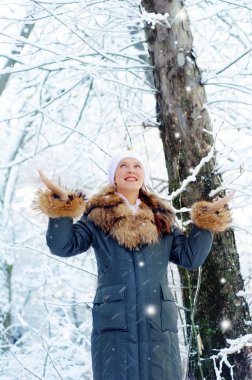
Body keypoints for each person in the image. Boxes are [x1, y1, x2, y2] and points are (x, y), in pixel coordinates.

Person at [33, 151, 233, 380]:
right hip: (115, 326)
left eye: (137, 165)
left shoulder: (162, 217)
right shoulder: (97, 216)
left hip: (158, 326)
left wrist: (207, 221)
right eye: (123, 166)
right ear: (114, 176)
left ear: (143, 175)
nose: (131, 170)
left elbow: (190, 258)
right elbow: (63, 246)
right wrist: (61, 207)